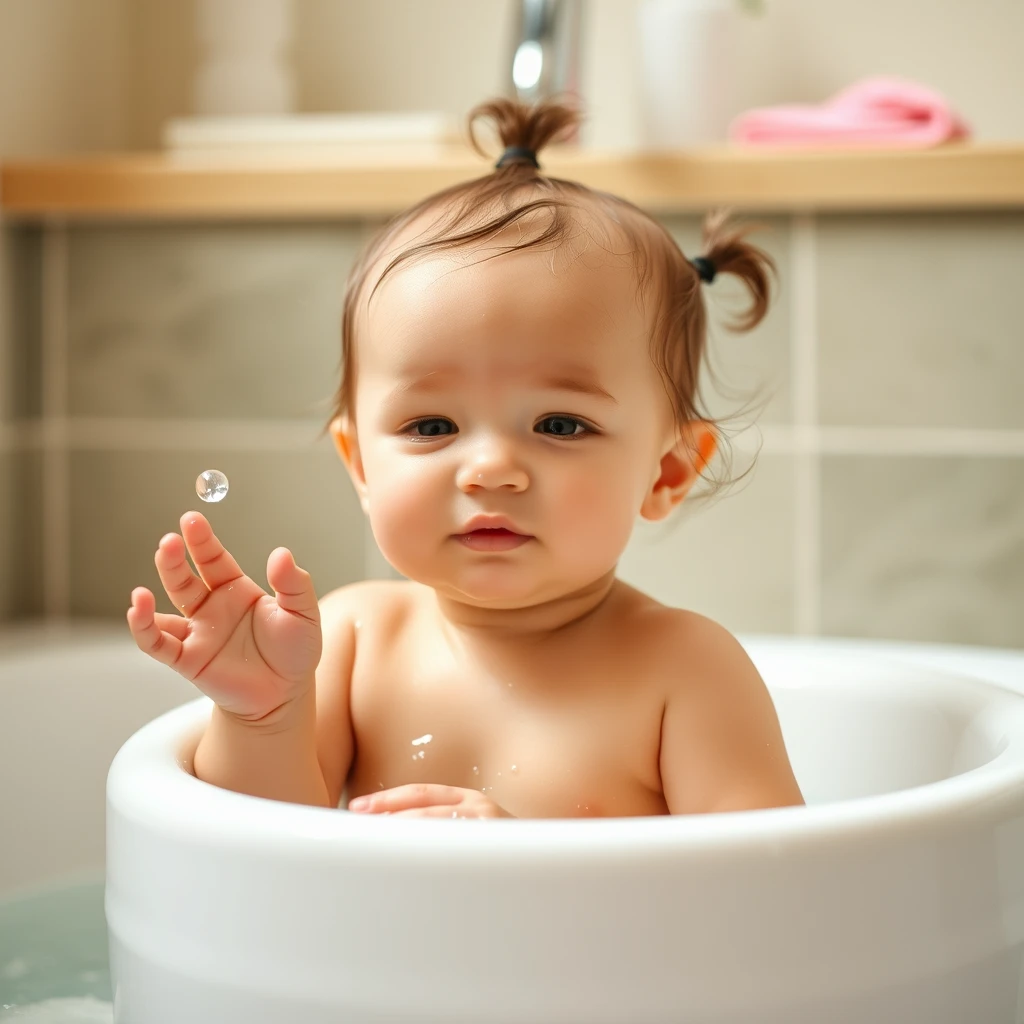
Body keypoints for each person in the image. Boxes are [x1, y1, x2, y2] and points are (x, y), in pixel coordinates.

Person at [126, 97, 804, 819]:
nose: (489, 470)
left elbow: (762, 896)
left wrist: (524, 862)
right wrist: (261, 717)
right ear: (360, 463)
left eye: (560, 424)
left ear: (667, 472)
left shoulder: (686, 673)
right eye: (431, 425)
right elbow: (261, 864)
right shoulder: (354, 643)